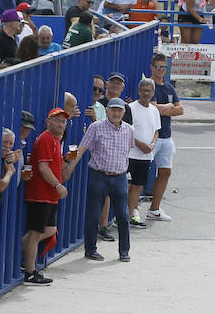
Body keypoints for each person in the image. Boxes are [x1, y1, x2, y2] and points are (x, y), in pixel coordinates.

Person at [22, 108, 78, 284]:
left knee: (47, 230)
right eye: (57, 120)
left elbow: (52, 165)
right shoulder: (46, 138)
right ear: (48, 121)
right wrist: (58, 185)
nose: (61, 124)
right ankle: (30, 271)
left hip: (48, 195)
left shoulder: (54, 140)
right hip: (41, 194)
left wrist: (66, 159)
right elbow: (43, 167)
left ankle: (26, 262)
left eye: (63, 122)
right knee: (36, 232)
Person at [78, 98, 134, 262]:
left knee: (123, 216)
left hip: (119, 177)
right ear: (107, 111)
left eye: (119, 110)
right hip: (98, 175)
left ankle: (124, 251)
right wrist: (70, 167)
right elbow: (82, 148)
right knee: (93, 214)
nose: (116, 113)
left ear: (124, 112)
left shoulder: (129, 130)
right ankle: (90, 249)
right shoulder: (96, 127)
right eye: (113, 110)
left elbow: (127, 150)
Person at [145, 53, 181, 221]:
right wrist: (168, 107)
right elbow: (152, 109)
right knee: (140, 173)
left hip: (166, 136)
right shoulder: (148, 86)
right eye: (158, 67)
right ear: (152, 67)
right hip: (151, 136)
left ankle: (155, 209)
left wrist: (163, 108)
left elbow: (180, 109)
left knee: (165, 171)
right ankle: (133, 210)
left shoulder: (169, 87)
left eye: (163, 67)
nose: (160, 70)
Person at [126, 78, 161, 227]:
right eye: (144, 90)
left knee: (137, 187)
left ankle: (129, 217)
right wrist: (140, 144)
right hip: (130, 155)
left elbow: (156, 131)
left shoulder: (154, 110)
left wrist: (152, 144)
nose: (146, 93)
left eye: (149, 91)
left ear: (153, 92)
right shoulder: (130, 108)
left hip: (146, 156)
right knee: (125, 187)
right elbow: (125, 131)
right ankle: (119, 217)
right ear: (139, 91)